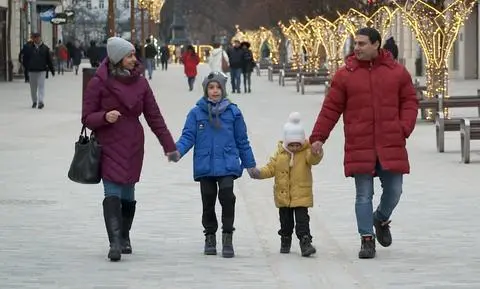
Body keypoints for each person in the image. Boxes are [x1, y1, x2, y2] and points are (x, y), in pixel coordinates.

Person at [309, 27, 418, 259]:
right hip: (360, 144)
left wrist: (403, 127)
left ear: (376, 44)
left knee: (395, 191)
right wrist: (318, 137)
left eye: (361, 43)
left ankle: (380, 219)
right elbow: (330, 109)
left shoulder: (397, 73)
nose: (356, 48)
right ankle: (366, 239)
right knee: (363, 194)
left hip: (390, 142)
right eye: (355, 43)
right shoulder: (344, 75)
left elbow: (409, 101)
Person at [82, 37, 179, 262]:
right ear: (117, 58)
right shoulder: (99, 82)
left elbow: (154, 116)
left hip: (133, 143)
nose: (134, 59)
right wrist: (105, 116)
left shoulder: (141, 83)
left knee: (128, 192)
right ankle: (114, 242)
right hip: (107, 142)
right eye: (130, 55)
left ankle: (125, 236)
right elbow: (86, 117)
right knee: (112, 192)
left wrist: (169, 146)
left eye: (134, 55)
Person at [174, 72, 257, 258]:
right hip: (206, 164)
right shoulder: (196, 113)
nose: (215, 91)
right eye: (211, 88)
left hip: (228, 163)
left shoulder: (234, 112)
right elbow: (188, 136)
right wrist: (177, 151)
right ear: (205, 90)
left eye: (218, 87)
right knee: (208, 198)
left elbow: (242, 140)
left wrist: (250, 164)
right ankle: (210, 236)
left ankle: (227, 236)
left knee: (227, 195)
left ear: (223, 89)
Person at [250, 112, 322, 257]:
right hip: (283, 195)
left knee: (302, 221)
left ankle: (305, 242)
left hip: (301, 195)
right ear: (286, 142)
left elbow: (314, 159)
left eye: (298, 144)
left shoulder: (305, 153)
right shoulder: (280, 154)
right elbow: (271, 168)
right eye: (292, 144)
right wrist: (258, 173)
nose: (295, 147)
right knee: (286, 222)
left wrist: (316, 152)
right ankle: (285, 238)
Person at [27, 32, 55, 109]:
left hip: (42, 70)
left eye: (38, 37)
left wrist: (52, 70)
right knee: (33, 87)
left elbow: (49, 60)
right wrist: (27, 67)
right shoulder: (29, 48)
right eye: (35, 37)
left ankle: (40, 101)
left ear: (40, 38)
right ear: (33, 39)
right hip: (32, 70)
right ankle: (34, 101)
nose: (37, 39)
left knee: (41, 86)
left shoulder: (45, 48)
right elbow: (26, 59)